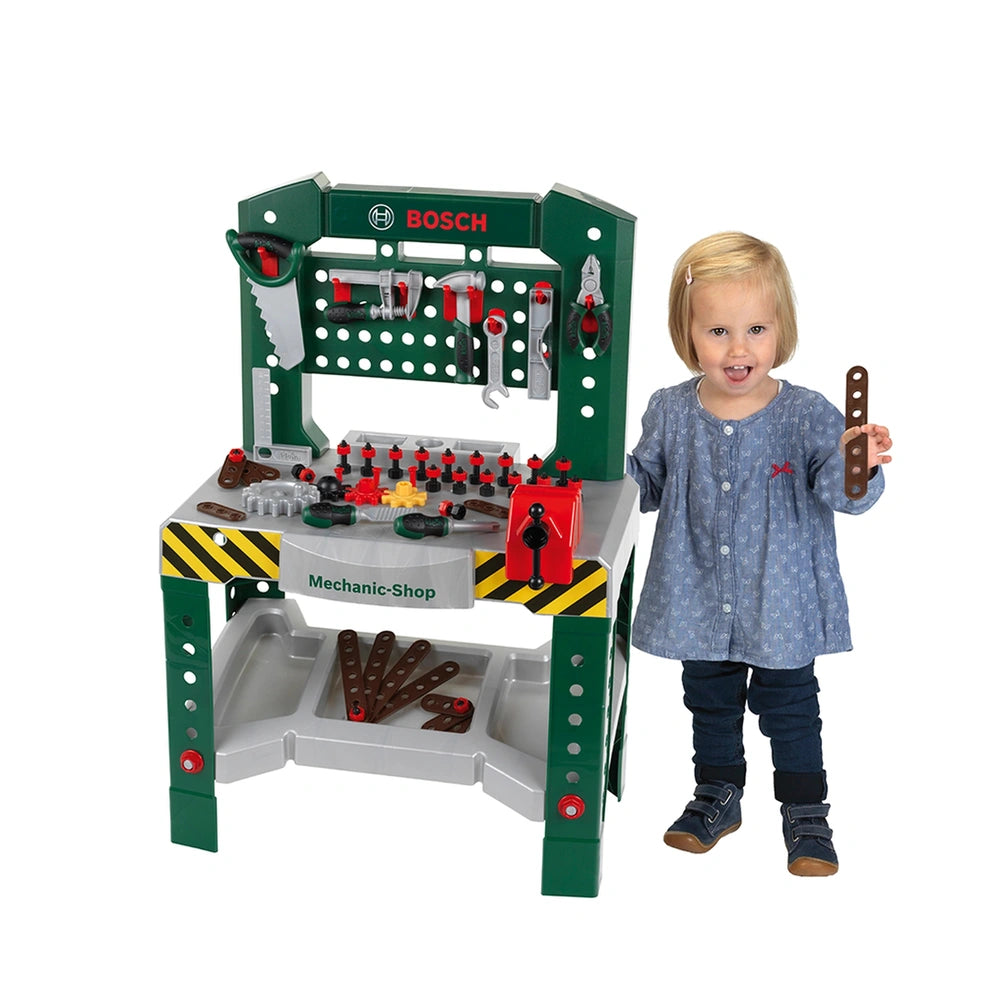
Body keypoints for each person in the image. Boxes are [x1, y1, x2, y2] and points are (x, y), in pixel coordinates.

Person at [626, 232, 892, 876]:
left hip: (781, 604)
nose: (738, 349)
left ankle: (806, 813)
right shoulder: (670, 410)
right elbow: (644, 487)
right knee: (708, 701)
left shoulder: (807, 414)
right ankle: (718, 794)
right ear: (688, 333)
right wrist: (602, 465)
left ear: (781, 330)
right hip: (697, 596)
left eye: (755, 330)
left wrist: (859, 465)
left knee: (790, 707)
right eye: (718, 331)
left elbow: (846, 498)